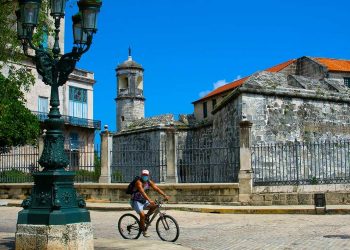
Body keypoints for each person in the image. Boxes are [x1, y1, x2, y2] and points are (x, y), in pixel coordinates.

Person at [130, 169, 170, 237]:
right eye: (144, 175)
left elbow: (157, 188)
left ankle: (146, 217)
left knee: (155, 205)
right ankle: (143, 231)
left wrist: (164, 195)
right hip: (135, 201)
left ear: (148, 176)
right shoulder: (138, 182)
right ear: (141, 175)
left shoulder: (149, 182)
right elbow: (142, 192)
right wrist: (149, 200)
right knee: (142, 215)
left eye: (146, 175)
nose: (145, 176)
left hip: (143, 200)